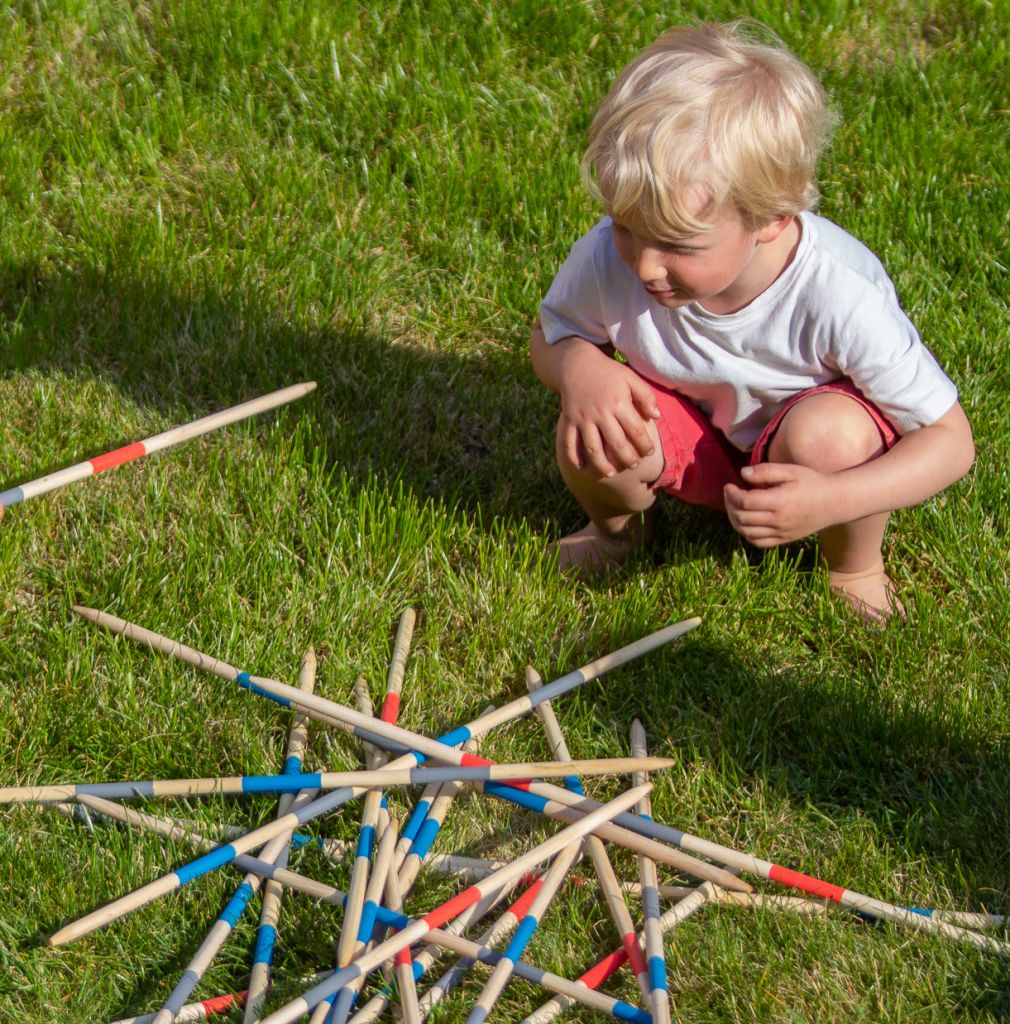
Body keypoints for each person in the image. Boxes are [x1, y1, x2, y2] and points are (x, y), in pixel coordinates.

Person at [530, 20, 974, 624]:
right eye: (626, 225)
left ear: (770, 217)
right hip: (691, 435)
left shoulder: (837, 293)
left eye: (676, 243)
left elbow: (952, 443)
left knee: (830, 437)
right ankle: (619, 535)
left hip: (808, 454)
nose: (645, 264)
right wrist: (580, 368)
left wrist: (834, 498)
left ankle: (855, 564)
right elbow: (551, 335)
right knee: (595, 428)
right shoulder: (611, 256)